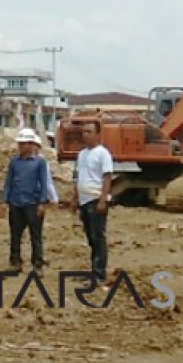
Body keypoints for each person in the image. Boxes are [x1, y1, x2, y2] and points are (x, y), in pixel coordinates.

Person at [1, 128, 52, 273]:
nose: (21, 146)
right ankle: (15, 262)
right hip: (16, 202)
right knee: (15, 234)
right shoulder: (14, 162)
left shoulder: (39, 163)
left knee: (35, 235)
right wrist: (5, 200)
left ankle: (37, 264)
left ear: (31, 145)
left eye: (24, 144)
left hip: (32, 203)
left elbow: (43, 183)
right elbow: (9, 182)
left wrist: (42, 202)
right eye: (20, 144)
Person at [72, 119, 113, 282]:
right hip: (84, 200)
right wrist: (74, 198)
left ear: (97, 134)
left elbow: (107, 177)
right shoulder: (82, 154)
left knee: (98, 236)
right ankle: (94, 269)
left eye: (89, 132)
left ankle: (99, 273)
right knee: (90, 237)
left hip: (96, 199)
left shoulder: (103, 153)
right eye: (84, 132)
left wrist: (103, 200)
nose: (85, 135)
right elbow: (78, 177)